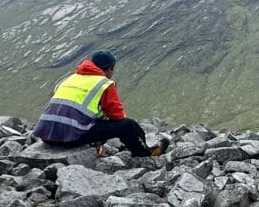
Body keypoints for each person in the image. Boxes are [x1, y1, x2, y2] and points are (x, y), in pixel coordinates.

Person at [32, 50, 169, 157]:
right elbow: (117, 116)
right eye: (112, 69)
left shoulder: (70, 79)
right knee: (129, 125)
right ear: (109, 69)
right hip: (68, 138)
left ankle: (96, 144)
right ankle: (145, 153)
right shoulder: (104, 84)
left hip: (46, 136)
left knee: (92, 120)